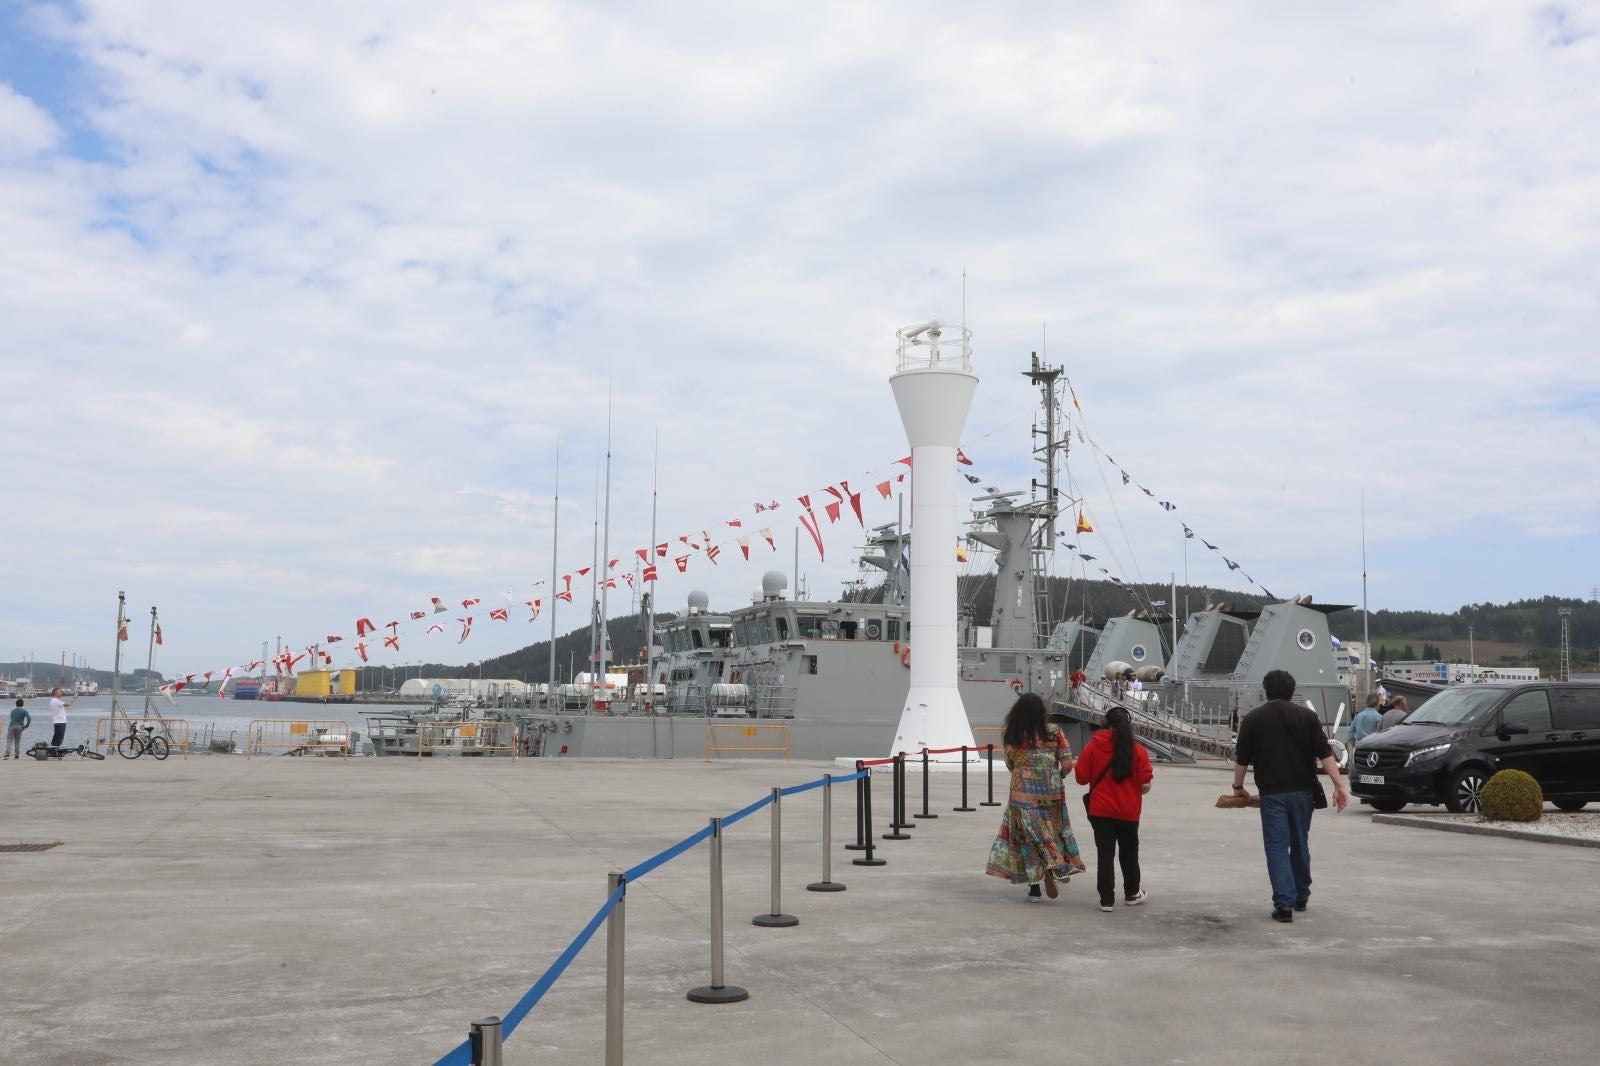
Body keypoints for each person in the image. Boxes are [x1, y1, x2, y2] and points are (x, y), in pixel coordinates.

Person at [1232, 670, 1349, 923]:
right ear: (1291, 691)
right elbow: (1325, 753)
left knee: (1276, 846)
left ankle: (1283, 905)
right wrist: (1339, 785)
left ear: (1266, 690)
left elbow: (1242, 758)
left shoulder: (1254, 719)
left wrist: (1237, 787)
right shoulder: (1307, 717)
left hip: (1272, 793)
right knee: (1299, 842)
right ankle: (1301, 895)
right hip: (1303, 792)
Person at [986, 692, 1087, 900]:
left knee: (1028, 838)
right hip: (1051, 792)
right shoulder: (1054, 731)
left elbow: (1010, 765)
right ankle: (1053, 866)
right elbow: (1067, 765)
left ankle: (1034, 887)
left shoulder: (1012, 733)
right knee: (1051, 832)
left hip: (1021, 793)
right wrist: (1057, 775)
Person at [1075, 706, 1154, 911]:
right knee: (1129, 853)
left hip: (1100, 810)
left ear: (1105, 724)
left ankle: (1106, 900)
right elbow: (1145, 786)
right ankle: (1132, 893)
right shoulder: (1138, 751)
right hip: (1128, 810)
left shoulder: (1092, 747)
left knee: (1105, 854)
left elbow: (1081, 778)